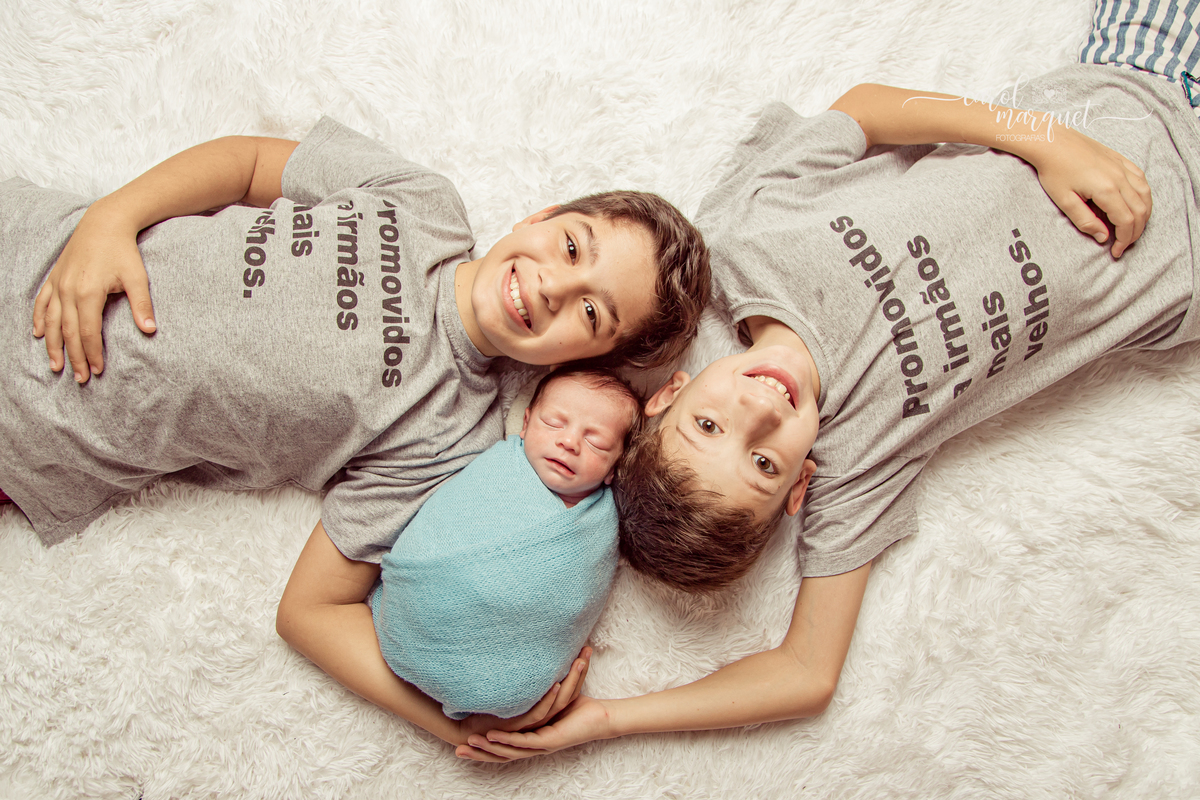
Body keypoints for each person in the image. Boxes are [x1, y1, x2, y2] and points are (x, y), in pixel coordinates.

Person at [457, 1, 1199, 760]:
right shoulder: (864, 457)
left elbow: (866, 111)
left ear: (671, 391)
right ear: (801, 489)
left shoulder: (745, 242)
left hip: (1126, 83)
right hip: (1184, 254)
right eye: (764, 463)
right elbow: (807, 672)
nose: (759, 410)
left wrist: (1048, 139)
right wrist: (607, 720)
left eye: (709, 426)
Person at [0, 116, 709, 746]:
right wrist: (111, 218)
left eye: (592, 316)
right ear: (541, 215)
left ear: (587, 361)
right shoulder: (424, 202)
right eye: (573, 246)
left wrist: (456, 723)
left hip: (35, 423)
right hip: (34, 240)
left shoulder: (448, 438)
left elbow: (311, 611)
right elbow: (248, 164)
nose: (557, 286)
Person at [371, 367, 640, 725]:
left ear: (614, 468)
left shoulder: (597, 527)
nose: (570, 442)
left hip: (506, 664)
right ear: (525, 424)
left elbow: (574, 595)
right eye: (555, 422)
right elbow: (445, 521)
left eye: (596, 443)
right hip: (420, 605)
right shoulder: (498, 469)